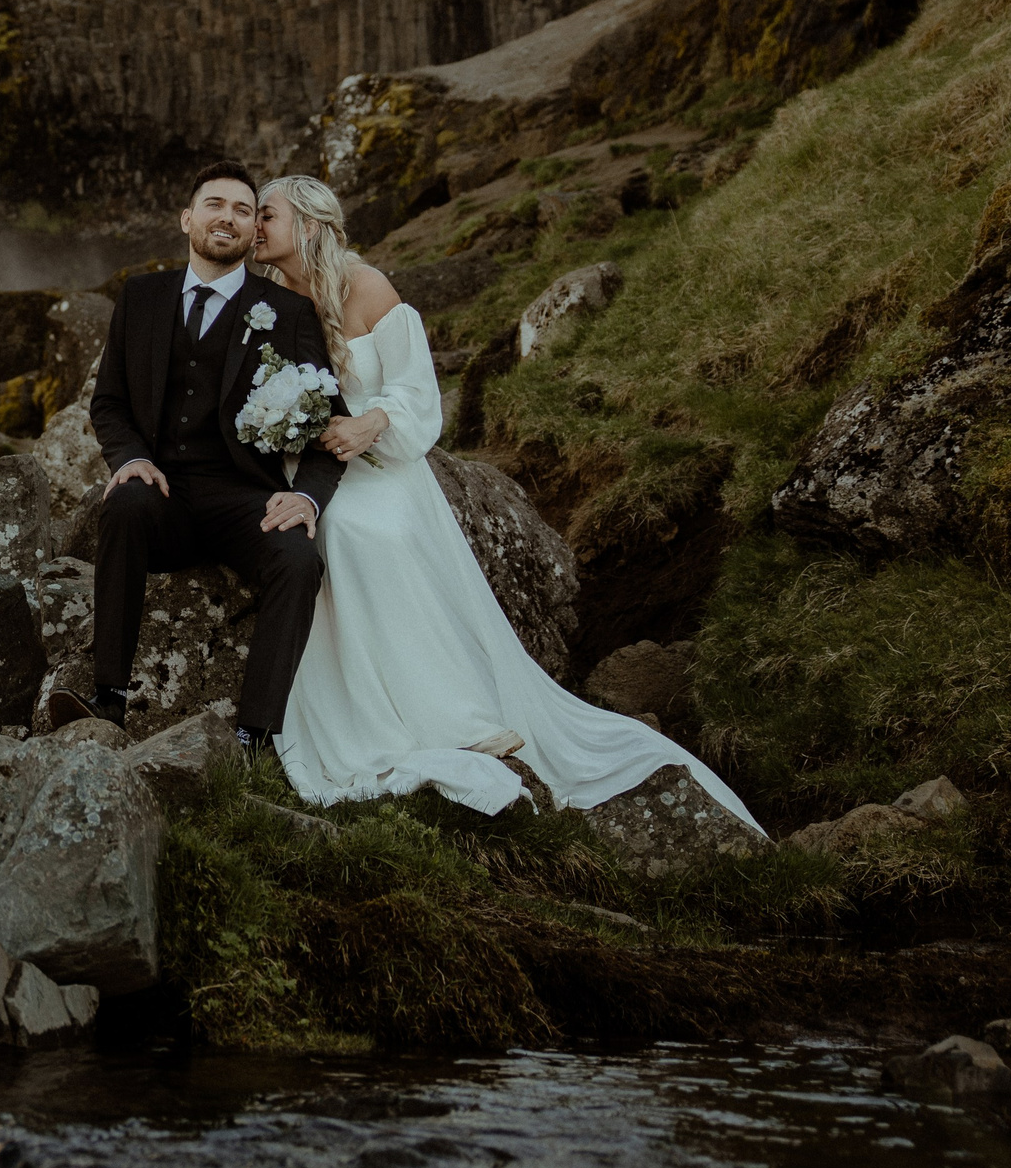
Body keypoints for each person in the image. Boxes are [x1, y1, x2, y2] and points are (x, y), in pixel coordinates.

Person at [249, 173, 764, 826]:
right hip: (313, 469)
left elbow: (416, 394)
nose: (254, 226)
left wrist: (370, 423)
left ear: (310, 226)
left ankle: (458, 715)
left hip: (386, 465)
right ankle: (375, 713)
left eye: (266, 214)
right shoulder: (264, 301)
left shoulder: (367, 287)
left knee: (370, 530)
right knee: (339, 529)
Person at [54, 160, 347, 752]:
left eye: (244, 210)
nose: (229, 217)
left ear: (251, 233)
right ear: (188, 217)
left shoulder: (286, 313)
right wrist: (129, 458)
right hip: (163, 493)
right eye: (215, 204)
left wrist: (308, 496)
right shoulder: (140, 296)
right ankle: (107, 699)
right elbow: (108, 403)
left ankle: (255, 733)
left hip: (247, 500)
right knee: (124, 505)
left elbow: (329, 421)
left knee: (298, 560)